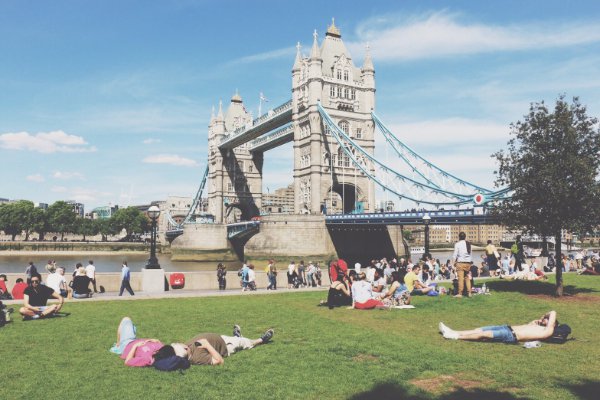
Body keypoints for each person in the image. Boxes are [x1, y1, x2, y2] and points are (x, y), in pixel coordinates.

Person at [439, 311, 559, 343]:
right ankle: (453, 331)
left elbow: (553, 312)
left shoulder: (548, 331)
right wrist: (535, 321)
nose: (544, 319)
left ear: (552, 323)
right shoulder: (537, 326)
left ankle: (455, 337)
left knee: (484, 335)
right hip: (507, 327)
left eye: (546, 319)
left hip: (510, 335)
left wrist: (544, 317)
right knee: (479, 329)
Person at [179, 325, 274, 366]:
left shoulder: (186, 347)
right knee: (245, 342)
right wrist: (207, 344)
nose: (179, 342)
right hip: (226, 346)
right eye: (178, 344)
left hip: (221, 338)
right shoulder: (197, 358)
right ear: (185, 348)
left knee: (238, 339)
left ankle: (237, 336)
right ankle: (261, 340)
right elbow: (219, 361)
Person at [452, 232, 473, 298]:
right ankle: (469, 293)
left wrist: (452, 264)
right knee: (467, 278)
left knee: (460, 279)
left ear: (459, 237)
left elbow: (455, 255)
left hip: (460, 263)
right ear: (465, 237)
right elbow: (470, 254)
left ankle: (460, 293)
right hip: (468, 263)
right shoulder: (469, 244)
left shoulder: (457, 244)